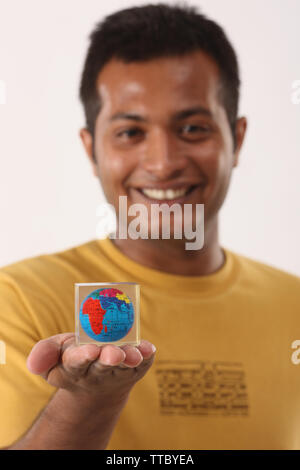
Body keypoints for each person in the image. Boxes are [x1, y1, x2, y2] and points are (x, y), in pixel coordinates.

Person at [0, 2, 300, 450]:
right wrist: (90, 398)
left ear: (237, 139)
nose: (163, 164)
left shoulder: (293, 304)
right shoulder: (19, 299)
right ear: (91, 149)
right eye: (130, 132)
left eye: (194, 127)